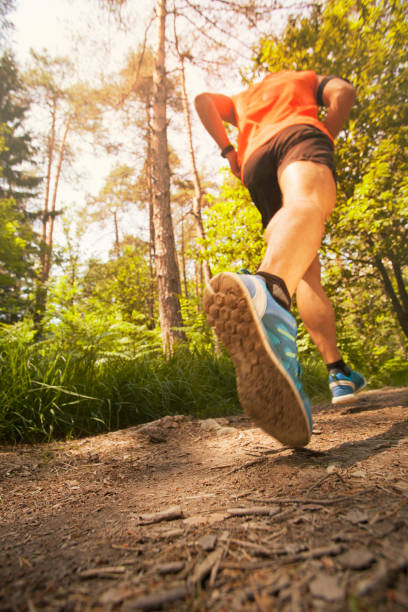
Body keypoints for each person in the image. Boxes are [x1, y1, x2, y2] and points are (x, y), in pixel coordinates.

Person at [194, 70, 366, 448]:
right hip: (299, 135)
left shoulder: (242, 98)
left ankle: (337, 372)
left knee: (304, 266)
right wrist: (326, 132)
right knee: (307, 204)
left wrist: (229, 151)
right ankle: (267, 296)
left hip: (255, 159)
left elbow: (203, 101)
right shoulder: (304, 78)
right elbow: (344, 93)